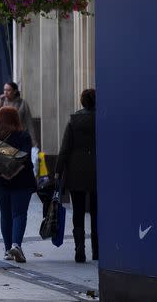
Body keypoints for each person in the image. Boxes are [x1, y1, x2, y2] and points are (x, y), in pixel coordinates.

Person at [0, 106, 37, 263]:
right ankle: (16, 245)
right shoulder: (23, 136)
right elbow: (25, 158)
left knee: (5, 214)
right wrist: (11, 169)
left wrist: (0, 167)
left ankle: (7, 250)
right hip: (21, 182)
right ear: (16, 119)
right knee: (19, 214)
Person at [55, 89, 97, 263]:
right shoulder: (102, 118)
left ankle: (79, 247)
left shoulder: (74, 120)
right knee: (97, 212)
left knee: (78, 211)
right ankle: (97, 250)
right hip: (97, 171)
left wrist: (58, 171)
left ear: (82, 102)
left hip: (76, 170)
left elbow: (65, 149)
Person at [0, 82, 37, 147]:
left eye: (8, 90)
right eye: (4, 90)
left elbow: (29, 123)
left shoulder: (22, 103)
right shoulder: (1, 101)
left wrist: (34, 142)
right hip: (4, 137)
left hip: (19, 137)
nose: (5, 92)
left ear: (15, 91)